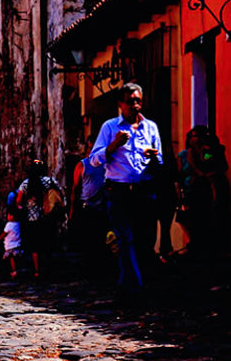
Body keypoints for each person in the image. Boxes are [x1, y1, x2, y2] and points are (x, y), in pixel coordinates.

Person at [89, 82, 163, 292]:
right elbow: (94, 159)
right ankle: (134, 288)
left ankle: (130, 281)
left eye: (138, 101)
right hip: (118, 191)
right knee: (125, 238)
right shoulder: (110, 127)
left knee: (144, 239)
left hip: (143, 191)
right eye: (131, 102)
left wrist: (154, 157)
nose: (135, 105)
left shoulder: (151, 128)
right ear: (121, 104)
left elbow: (160, 161)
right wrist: (114, 145)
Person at [177, 125, 229, 257]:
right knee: (187, 218)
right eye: (194, 136)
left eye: (199, 136)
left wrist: (204, 152)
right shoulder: (184, 155)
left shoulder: (210, 151)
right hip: (191, 190)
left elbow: (208, 164)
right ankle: (193, 244)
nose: (196, 139)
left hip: (207, 189)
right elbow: (179, 174)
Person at [70, 136, 110, 276]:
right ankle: (89, 267)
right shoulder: (83, 165)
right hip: (87, 207)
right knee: (88, 239)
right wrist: (72, 210)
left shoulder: (106, 164)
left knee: (101, 239)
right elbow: (75, 189)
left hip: (103, 206)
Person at [15, 159, 63, 279]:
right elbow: (60, 195)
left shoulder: (26, 183)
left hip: (32, 219)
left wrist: (28, 206)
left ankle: (37, 270)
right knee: (47, 244)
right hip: (48, 217)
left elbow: (18, 201)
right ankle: (48, 268)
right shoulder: (50, 181)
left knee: (35, 246)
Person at [0, 206, 23, 279]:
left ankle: (13, 271)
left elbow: (4, 233)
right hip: (17, 243)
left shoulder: (9, 224)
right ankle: (16, 270)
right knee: (16, 259)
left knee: (11, 259)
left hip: (10, 245)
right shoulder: (18, 224)